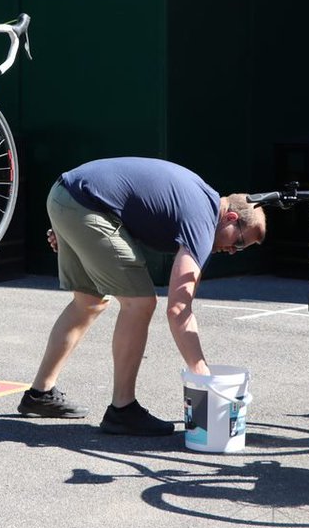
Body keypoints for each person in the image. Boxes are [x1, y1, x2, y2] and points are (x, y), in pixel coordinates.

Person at [17, 157, 265, 435]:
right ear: (231, 218)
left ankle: (39, 394)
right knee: (140, 303)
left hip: (67, 195)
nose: (233, 251)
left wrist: (71, 225)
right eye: (240, 243)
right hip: (84, 203)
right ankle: (122, 410)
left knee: (88, 301)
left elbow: (131, 200)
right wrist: (201, 372)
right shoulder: (203, 220)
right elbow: (179, 308)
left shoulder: (199, 196)